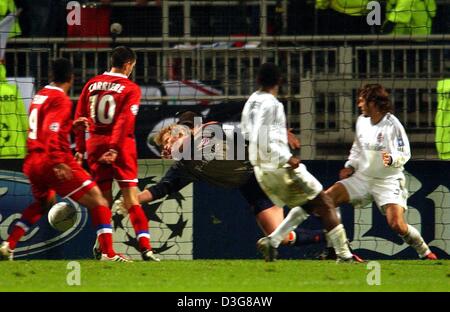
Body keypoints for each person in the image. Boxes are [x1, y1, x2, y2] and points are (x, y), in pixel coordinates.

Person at [114, 111, 325, 250]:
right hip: (250, 185)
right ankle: (326, 238)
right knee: (279, 237)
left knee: (317, 204)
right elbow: (162, 189)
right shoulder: (184, 168)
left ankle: (336, 234)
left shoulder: (210, 133)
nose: (167, 147)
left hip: (266, 169)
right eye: (164, 147)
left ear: (181, 132)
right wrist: (131, 200)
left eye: (169, 140)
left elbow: (248, 133)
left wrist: (277, 136)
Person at [0, 58, 128, 262]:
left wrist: (71, 125)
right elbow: (50, 131)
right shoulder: (61, 99)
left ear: (51, 76)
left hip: (33, 161)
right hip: (53, 160)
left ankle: (9, 246)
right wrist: (59, 161)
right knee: (99, 201)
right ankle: (108, 254)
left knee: (44, 204)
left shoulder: (41, 95)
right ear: (71, 77)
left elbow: (45, 126)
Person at [240, 63, 361, 262]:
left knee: (309, 204)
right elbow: (260, 137)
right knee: (326, 203)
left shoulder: (251, 101)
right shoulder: (272, 103)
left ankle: (273, 241)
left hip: (261, 170)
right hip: (279, 166)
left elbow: (248, 134)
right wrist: (286, 157)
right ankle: (344, 255)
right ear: (280, 81)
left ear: (258, 80)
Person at [325, 83, 437, 260]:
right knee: (326, 201)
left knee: (397, 225)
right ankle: (336, 251)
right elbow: (357, 147)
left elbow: (405, 153)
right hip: (362, 178)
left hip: (387, 181)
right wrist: (351, 165)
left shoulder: (392, 125)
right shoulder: (362, 121)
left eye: (362, 101)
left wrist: (392, 159)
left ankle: (424, 251)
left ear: (373, 103)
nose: (359, 105)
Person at [74, 46, 159, 261]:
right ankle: (146, 248)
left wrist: (80, 150)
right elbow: (124, 121)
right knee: (131, 198)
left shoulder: (91, 84)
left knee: (103, 200)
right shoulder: (130, 88)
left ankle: (104, 249)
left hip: (94, 144)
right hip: (120, 147)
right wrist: (113, 147)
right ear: (128, 64)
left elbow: (79, 120)